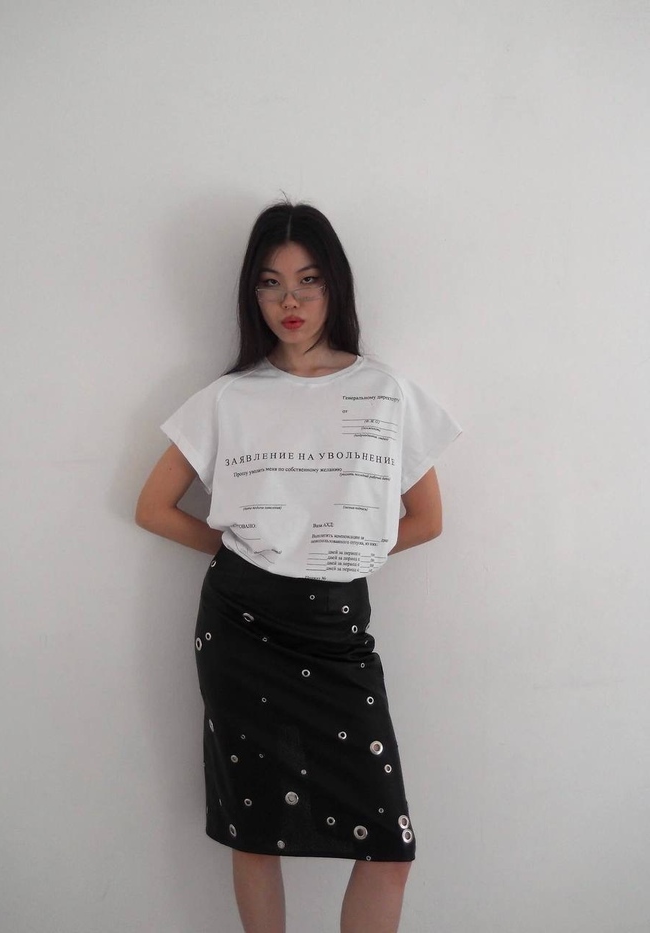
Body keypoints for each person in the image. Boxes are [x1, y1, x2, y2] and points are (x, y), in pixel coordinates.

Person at [135, 201, 462, 933]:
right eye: (271, 282)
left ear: (335, 286)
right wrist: (257, 548)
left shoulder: (384, 392)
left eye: (309, 280)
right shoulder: (229, 397)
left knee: (388, 848)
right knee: (255, 829)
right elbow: (152, 506)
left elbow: (427, 519)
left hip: (337, 629)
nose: (291, 300)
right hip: (241, 625)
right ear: (251, 293)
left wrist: (338, 549)